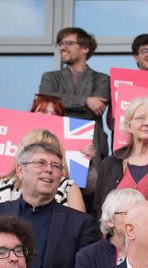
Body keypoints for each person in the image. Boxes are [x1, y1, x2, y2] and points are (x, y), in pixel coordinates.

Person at [0, 142, 99, 268]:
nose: (49, 170)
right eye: (41, 163)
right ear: (21, 171)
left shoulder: (82, 224)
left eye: (56, 166)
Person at [38, 27, 110, 165]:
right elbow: (45, 101)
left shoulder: (102, 79)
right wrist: (86, 101)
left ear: (85, 48)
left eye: (68, 43)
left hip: (90, 148)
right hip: (55, 143)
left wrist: (61, 107)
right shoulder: (50, 77)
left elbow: (93, 112)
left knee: (90, 184)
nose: (62, 48)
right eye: (60, 44)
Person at [92, 97, 148, 217]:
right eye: (140, 118)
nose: (146, 123)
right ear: (128, 126)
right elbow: (98, 208)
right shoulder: (109, 164)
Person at [0, 129, 86, 212]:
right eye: (40, 161)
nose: (48, 169)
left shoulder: (69, 187)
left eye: (51, 152)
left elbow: (78, 225)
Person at [74, 188, 145, 268]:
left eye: (140, 214)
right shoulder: (89, 256)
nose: (137, 219)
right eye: (129, 213)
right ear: (110, 220)